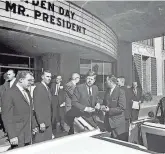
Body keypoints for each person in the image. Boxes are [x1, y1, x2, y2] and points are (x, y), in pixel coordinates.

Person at [1, 71, 35, 148]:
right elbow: (6, 116)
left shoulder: (27, 92)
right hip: (17, 136)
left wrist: (33, 126)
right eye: (29, 80)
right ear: (21, 80)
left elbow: (29, 111)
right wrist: (12, 135)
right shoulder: (9, 93)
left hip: (28, 134)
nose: (31, 83)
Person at [102, 75, 126, 141]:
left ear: (111, 82)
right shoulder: (107, 91)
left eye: (106, 81)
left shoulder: (120, 92)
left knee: (119, 143)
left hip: (117, 123)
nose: (105, 82)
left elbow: (122, 108)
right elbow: (104, 102)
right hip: (108, 123)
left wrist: (109, 110)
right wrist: (102, 106)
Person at [33, 70, 53, 143]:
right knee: (40, 144)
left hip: (47, 121)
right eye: (47, 76)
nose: (49, 78)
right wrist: (41, 122)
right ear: (42, 77)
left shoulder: (46, 88)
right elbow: (37, 106)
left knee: (48, 143)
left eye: (50, 77)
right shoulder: (39, 88)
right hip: (42, 123)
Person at [117, 76, 133, 141]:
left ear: (122, 82)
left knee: (120, 133)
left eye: (117, 81)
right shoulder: (129, 90)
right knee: (126, 131)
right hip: (127, 114)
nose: (116, 82)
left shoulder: (119, 90)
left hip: (121, 114)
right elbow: (131, 102)